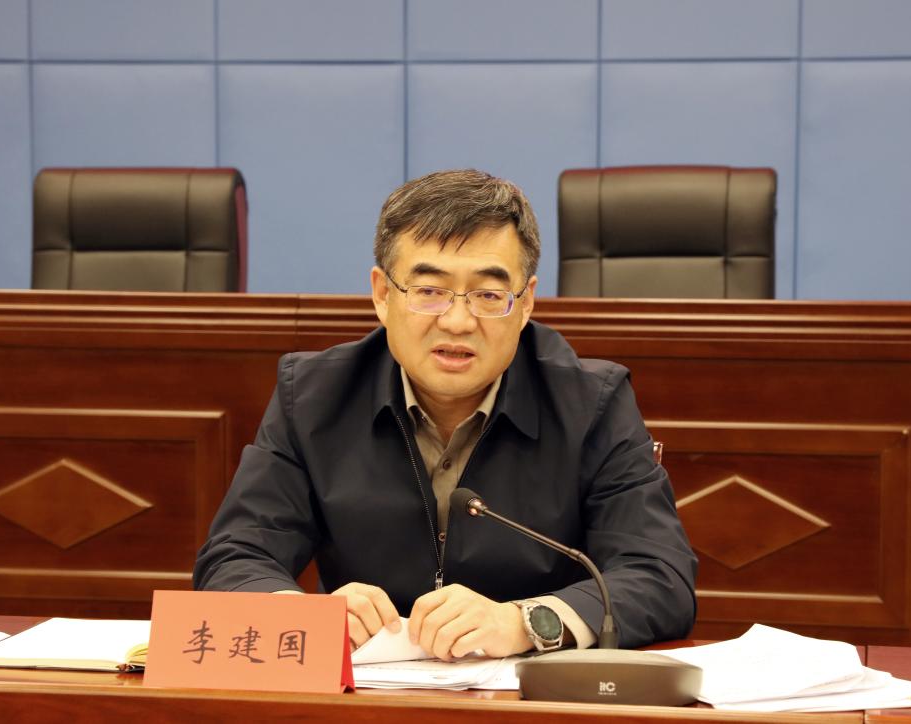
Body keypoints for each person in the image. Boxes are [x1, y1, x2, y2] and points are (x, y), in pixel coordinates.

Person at [194, 169, 697, 660]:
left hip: (527, 696)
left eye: (488, 295)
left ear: (525, 304)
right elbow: (236, 556)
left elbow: (659, 575)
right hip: (364, 696)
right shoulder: (313, 396)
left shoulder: (591, 403)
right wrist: (303, 617)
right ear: (383, 295)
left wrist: (525, 622)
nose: (458, 322)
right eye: (430, 292)